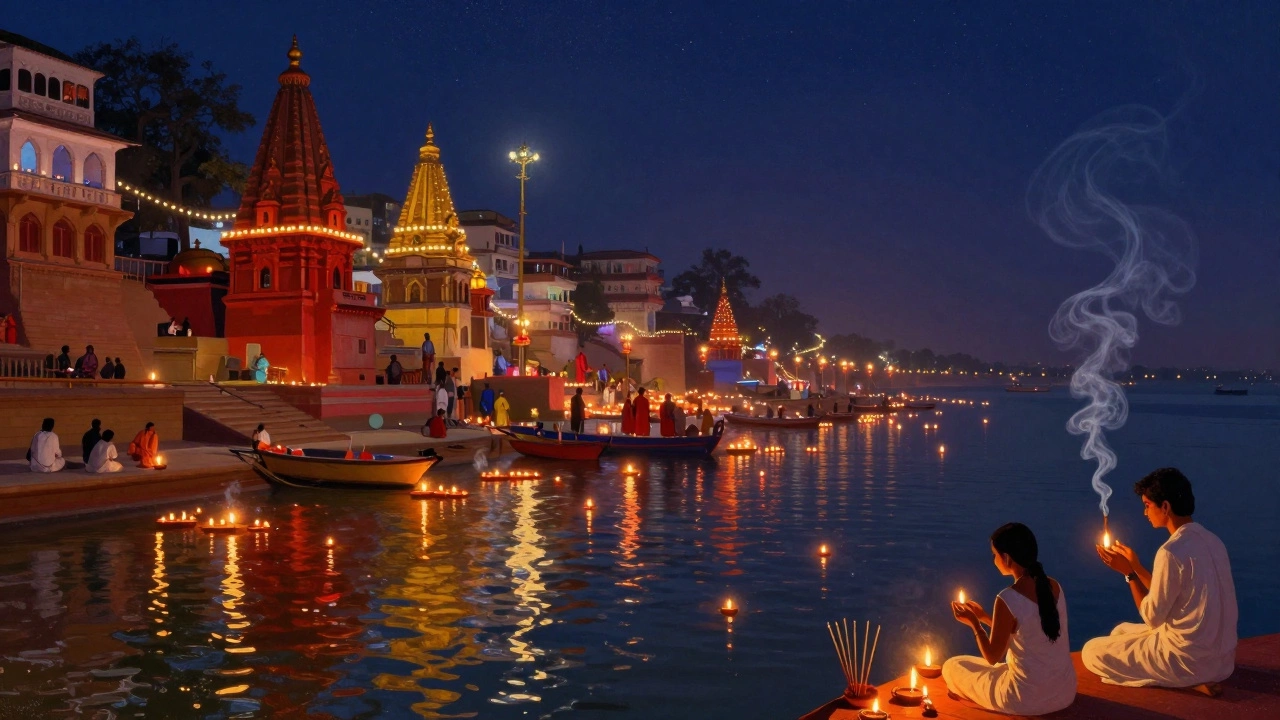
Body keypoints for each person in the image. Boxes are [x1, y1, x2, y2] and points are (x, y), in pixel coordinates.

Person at [1083, 468, 1237, 694]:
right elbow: (1167, 592)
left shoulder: (1170, 551)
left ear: (1165, 507)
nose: (1145, 513)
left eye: (1147, 505)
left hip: (1186, 661)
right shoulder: (1213, 541)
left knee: (1091, 651)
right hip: (1222, 662)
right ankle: (1193, 676)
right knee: (1120, 631)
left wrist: (1129, 574)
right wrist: (1136, 565)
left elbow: (1152, 618)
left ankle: (1186, 680)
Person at [943, 523, 1076, 716]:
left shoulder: (1007, 598)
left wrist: (975, 623)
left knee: (953, 666)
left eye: (994, 555)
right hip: (1064, 692)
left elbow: (992, 657)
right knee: (976, 665)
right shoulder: (1054, 586)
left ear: (1006, 558)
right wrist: (985, 617)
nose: (993, 560)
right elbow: (1024, 632)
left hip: (1024, 699)